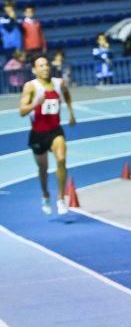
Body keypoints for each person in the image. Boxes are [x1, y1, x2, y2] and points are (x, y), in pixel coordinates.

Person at [19, 55, 76, 216]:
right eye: (41, 66)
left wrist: (71, 112)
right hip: (38, 134)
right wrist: (36, 103)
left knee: (61, 159)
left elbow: (67, 94)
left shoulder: (59, 83)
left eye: (46, 65)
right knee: (43, 168)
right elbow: (22, 111)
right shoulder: (30, 87)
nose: (45, 68)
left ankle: (60, 198)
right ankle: (45, 194)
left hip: (55, 130)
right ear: (34, 70)